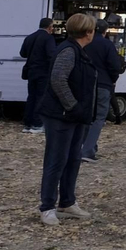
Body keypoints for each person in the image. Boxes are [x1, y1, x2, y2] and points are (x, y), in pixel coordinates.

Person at [37, 13, 99, 226]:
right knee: (56, 160)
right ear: (88, 32)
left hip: (76, 116)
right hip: (61, 115)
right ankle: (47, 207)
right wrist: (72, 107)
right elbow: (58, 80)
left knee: (73, 159)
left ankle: (67, 202)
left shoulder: (78, 51)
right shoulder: (68, 51)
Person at [80, 18, 126, 160]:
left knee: (87, 116)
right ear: (105, 31)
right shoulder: (107, 45)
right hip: (103, 83)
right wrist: (112, 80)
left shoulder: (84, 43)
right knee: (99, 118)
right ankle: (87, 151)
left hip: (85, 83)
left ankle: (86, 146)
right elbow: (114, 66)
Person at [16, 20, 56, 134]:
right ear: (49, 27)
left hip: (31, 71)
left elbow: (22, 53)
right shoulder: (48, 38)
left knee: (31, 97)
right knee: (41, 97)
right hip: (43, 72)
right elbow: (51, 55)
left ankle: (27, 123)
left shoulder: (30, 37)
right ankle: (37, 124)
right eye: (52, 27)